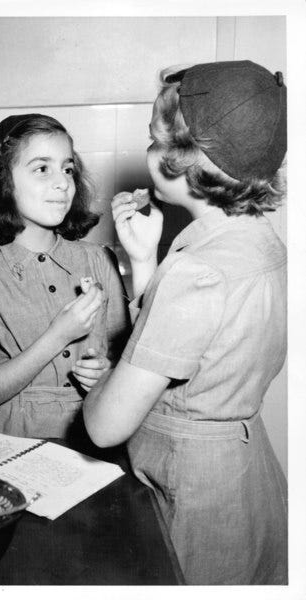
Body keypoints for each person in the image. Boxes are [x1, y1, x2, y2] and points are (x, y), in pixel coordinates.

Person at [83, 60, 287, 584]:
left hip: (193, 492)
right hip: (246, 475)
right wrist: (145, 263)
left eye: (154, 140)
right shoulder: (256, 243)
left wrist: (102, 382)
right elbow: (197, 346)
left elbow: (105, 428)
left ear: (184, 160)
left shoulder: (197, 269)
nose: (148, 152)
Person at [0, 114, 130, 439]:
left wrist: (106, 372)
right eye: (42, 168)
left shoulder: (99, 261)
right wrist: (58, 335)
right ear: (3, 182)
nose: (62, 182)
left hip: (96, 442)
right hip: (13, 447)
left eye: (67, 169)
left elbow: (124, 360)